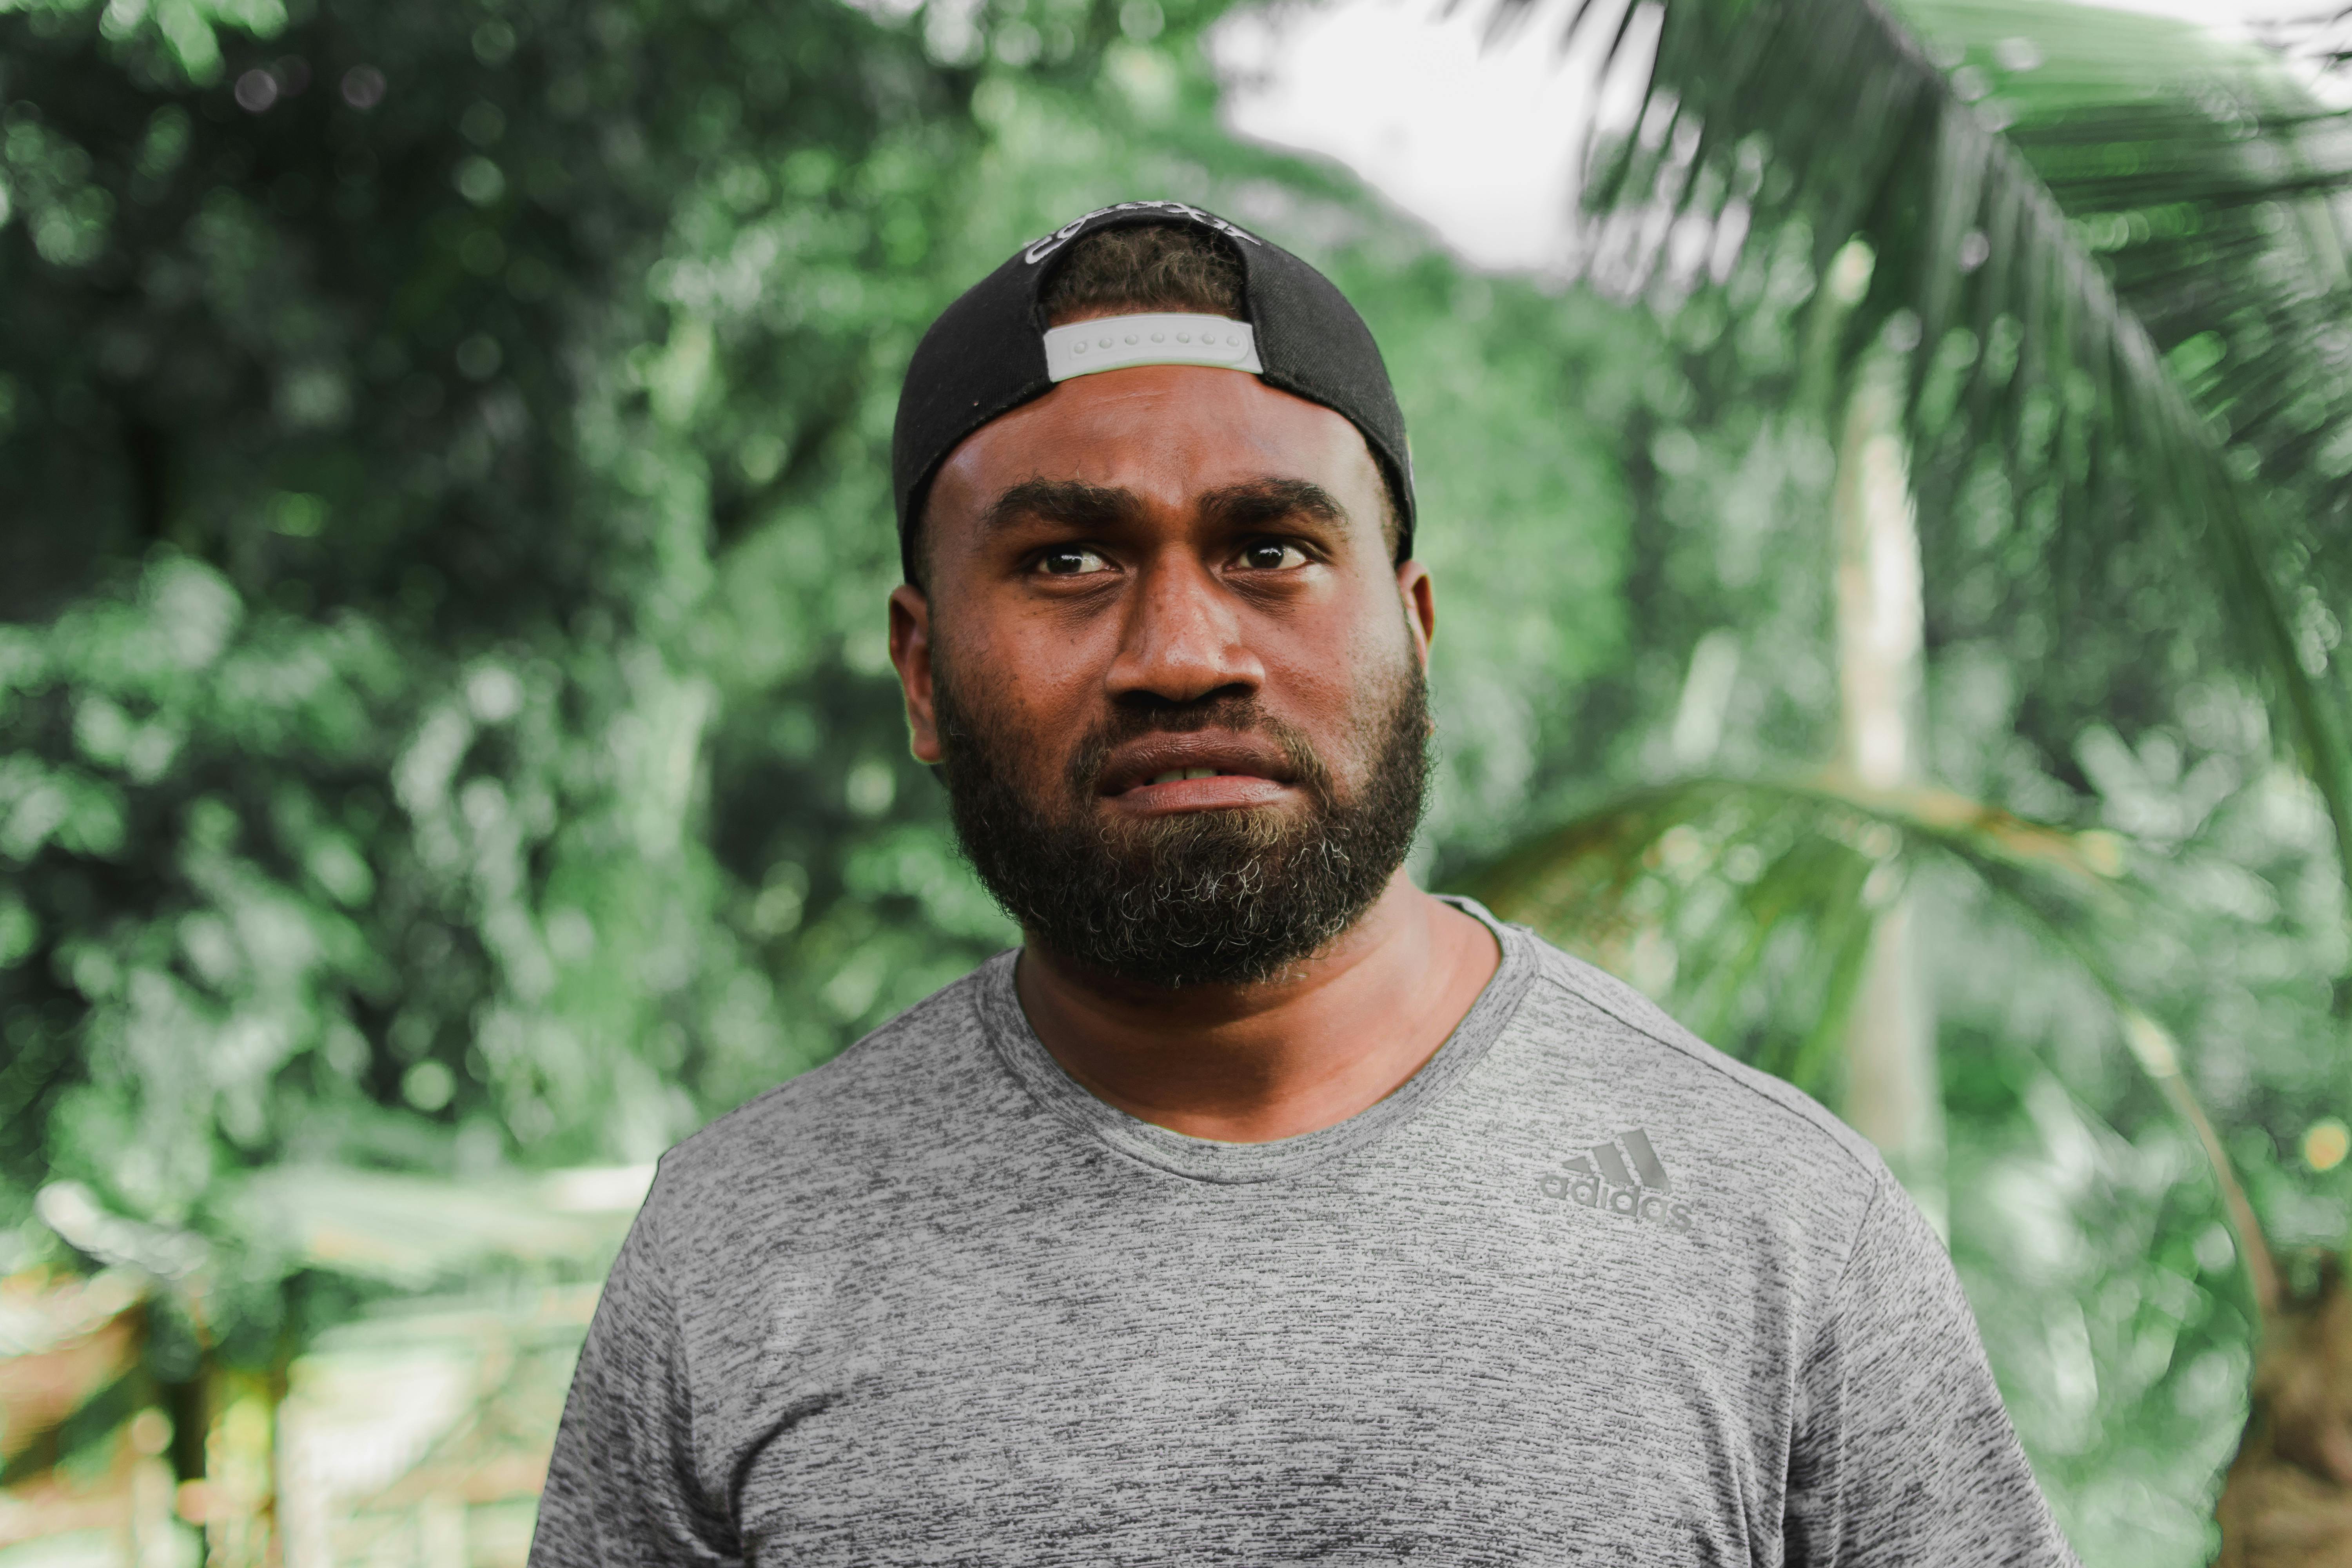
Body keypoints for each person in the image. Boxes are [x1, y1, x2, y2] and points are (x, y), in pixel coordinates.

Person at [528, 200, 2079, 1566]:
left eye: (1271, 546)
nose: (1185, 652)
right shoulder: (738, 1251)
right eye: (1069, 558)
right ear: (924, 675)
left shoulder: (1774, 1221)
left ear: (1411, 625)